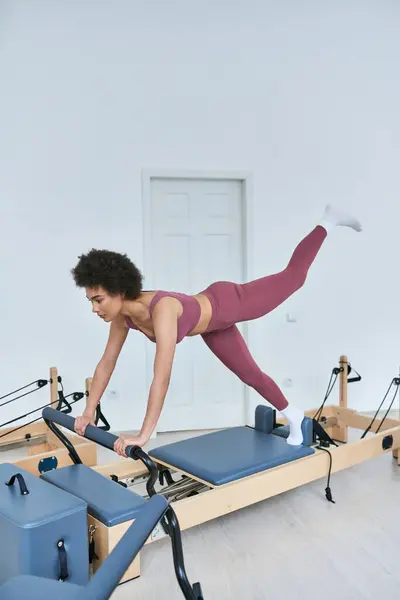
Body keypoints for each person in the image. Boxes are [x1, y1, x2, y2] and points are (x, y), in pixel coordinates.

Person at [71, 204, 362, 456]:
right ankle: (294, 416)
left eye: (99, 300)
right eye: (91, 302)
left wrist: (143, 435)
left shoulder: (163, 309)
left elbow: (161, 377)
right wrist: (88, 411)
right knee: (251, 375)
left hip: (227, 303)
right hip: (213, 328)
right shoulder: (123, 318)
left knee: (294, 277)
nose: (95, 309)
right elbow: (106, 363)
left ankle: (327, 221)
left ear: (119, 291)